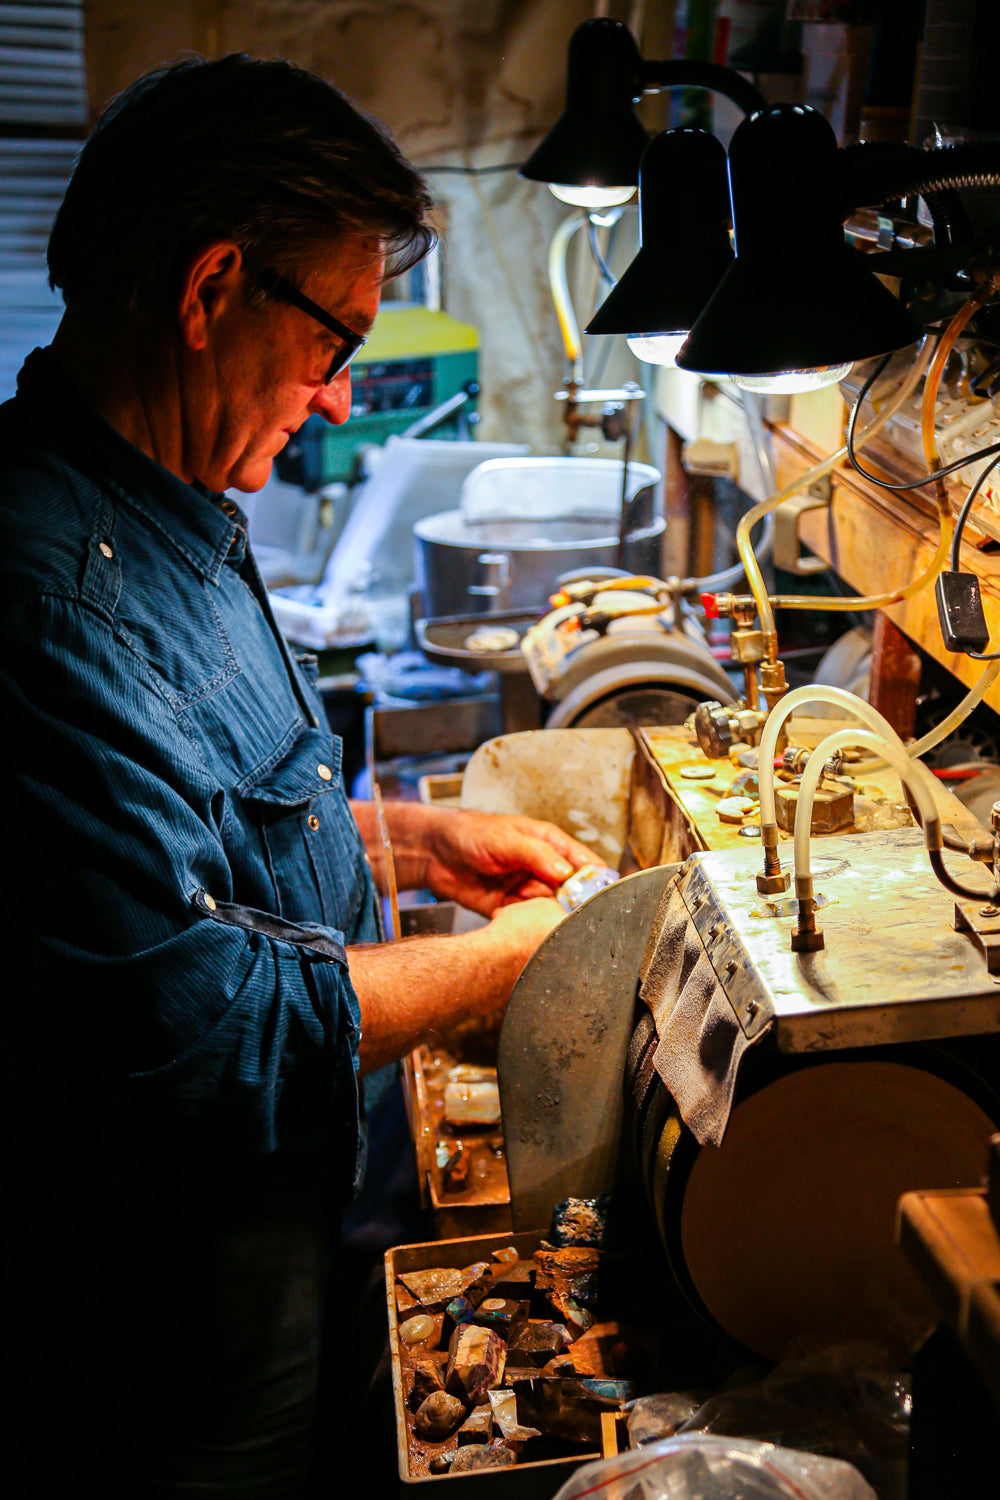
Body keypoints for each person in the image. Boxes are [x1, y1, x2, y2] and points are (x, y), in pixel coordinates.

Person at [1, 56, 591, 1496]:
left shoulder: (165, 493)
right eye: (332, 346)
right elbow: (208, 1039)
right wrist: (515, 964)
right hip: (169, 1320)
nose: (336, 402)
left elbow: (186, 835)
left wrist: (400, 838)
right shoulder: (43, 601)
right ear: (211, 291)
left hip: (269, 1232)